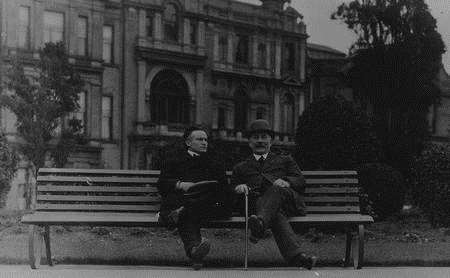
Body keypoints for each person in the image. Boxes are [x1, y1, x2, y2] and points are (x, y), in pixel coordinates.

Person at [232, 119, 317, 269]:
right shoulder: (241, 167)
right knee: (274, 213)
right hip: (259, 207)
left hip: (287, 202)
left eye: (264, 137)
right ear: (249, 142)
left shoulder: (284, 160)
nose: (260, 141)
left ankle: (259, 226)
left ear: (271, 141)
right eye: (255, 137)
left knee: (276, 188)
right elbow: (232, 189)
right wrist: (239, 187)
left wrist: (287, 182)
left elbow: (301, 181)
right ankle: (299, 258)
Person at [157, 125, 232, 269]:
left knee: (186, 211)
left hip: (209, 207)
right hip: (188, 205)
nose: (204, 142)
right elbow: (162, 184)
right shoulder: (174, 160)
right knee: (188, 214)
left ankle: (180, 213)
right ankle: (195, 251)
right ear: (188, 142)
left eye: (206, 140)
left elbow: (224, 189)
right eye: (200, 139)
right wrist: (180, 184)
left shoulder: (214, 162)